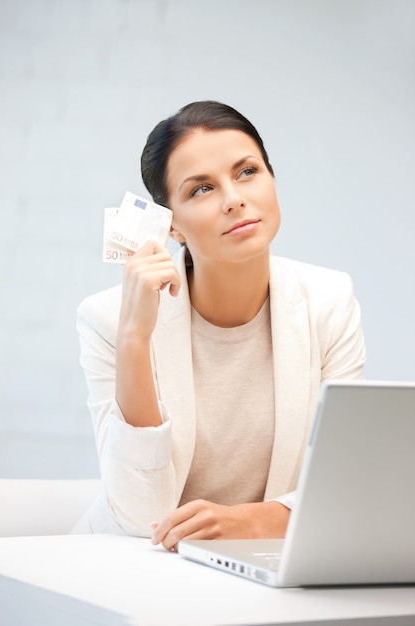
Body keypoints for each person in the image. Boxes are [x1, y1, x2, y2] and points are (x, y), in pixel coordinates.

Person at [75, 101, 366, 550]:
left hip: (259, 564)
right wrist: (134, 337)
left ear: (272, 178)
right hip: (132, 567)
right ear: (172, 227)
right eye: (202, 190)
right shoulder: (107, 319)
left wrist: (249, 523)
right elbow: (140, 515)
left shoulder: (329, 300)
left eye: (247, 171)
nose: (234, 199)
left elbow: (344, 486)